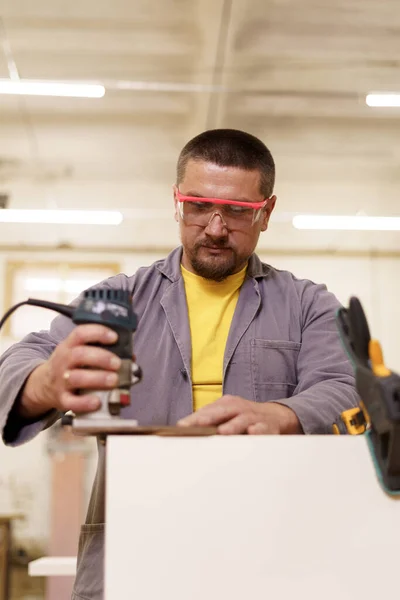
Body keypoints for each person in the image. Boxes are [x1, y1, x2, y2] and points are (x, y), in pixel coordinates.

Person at [0, 129, 358, 599]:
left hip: (263, 546)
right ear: (176, 202)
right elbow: (22, 360)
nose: (214, 226)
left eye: (237, 210)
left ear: (266, 212)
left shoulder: (307, 304)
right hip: (135, 543)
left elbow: (346, 388)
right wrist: (43, 383)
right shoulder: (119, 300)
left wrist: (283, 415)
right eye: (198, 206)